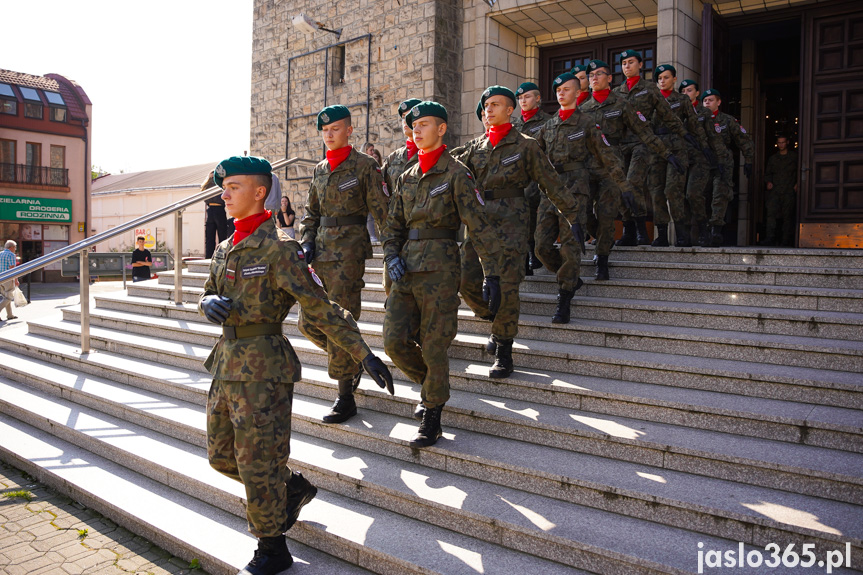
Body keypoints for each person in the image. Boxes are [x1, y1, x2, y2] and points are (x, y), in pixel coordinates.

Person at [199, 155, 393, 575]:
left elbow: (321, 308)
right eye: (224, 187)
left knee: (258, 462)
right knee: (220, 456)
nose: (225, 194)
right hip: (225, 365)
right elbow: (207, 291)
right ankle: (291, 489)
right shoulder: (225, 247)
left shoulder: (280, 248)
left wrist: (365, 353)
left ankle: (272, 547)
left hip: (264, 370)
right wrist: (206, 302)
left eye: (234, 186)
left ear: (259, 192)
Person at [381, 101, 501, 447]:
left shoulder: (457, 174)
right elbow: (392, 226)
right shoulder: (407, 176)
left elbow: (479, 226)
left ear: (442, 129)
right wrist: (391, 256)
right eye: (414, 127)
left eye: (425, 125)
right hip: (406, 271)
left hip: (440, 270)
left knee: (434, 346)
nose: (417, 131)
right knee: (394, 341)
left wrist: (490, 273)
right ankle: (431, 387)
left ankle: (432, 415)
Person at [452, 85, 582, 379]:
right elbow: (451, 177)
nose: (489, 110)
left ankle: (504, 350)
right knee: (465, 279)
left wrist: (572, 215)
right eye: (486, 106)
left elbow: (551, 182)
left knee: (507, 286)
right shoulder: (475, 147)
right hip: (479, 224)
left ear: (510, 110)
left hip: (511, 222)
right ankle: (493, 319)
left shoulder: (527, 145)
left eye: (495, 105)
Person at [299, 105, 390, 424]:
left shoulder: (366, 166)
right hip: (320, 252)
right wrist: (307, 239)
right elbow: (310, 212)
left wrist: (393, 251)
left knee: (338, 317)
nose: (329, 134)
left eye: (335, 129)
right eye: (324, 130)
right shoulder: (320, 168)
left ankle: (345, 397)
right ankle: (353, 360)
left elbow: (382, 211)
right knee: (307, 322)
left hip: (349, 252)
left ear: (349, 131)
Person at [534, 72, 631, 324]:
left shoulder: (586, 123)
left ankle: (564, 297)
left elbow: (606, 155)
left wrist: (624, 186)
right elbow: (533, 158)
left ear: (578, 93)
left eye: (567, 89)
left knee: (569, 246)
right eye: (558, 89)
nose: (561, 93)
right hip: (550, 191)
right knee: (542, 247)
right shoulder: (549, 125)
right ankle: (571, 279)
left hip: (576, 189)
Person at [580, 59, 673, 279]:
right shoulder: (583, 110)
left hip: (614, 167)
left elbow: (643, 131)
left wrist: (666, 153)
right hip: (590, 169)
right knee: (583, 211)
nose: (594, 77)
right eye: (591, 75)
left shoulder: (621, 104)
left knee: (606, 214)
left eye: (599, 74)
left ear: (609, 78)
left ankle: (602, 259)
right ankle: (605, 238)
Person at [614, 49, 687, 245]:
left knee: (633, 183)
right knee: (621, 187)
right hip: (621, 146)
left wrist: (685, 134)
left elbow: (667, 115)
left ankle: (642, 231)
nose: (627, 66)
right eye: (624, 63)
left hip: (643, 144)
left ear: (640, 65)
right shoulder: (616, 93)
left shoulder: (649, 88)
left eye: (631, 62)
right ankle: (628, 230)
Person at [649, 64, 713, 247]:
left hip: (678, 148)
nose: (662, 81)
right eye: (659, 78)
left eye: (666, 77)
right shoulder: (651, 99)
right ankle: (662, 234)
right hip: (656, 149)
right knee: (656, 192)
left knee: (673, 190)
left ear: (674, 79)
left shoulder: (682, 100)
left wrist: (705, 146)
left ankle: (681, 234)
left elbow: (694, 124)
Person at [701, 88, 755, 246]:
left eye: (710, 100)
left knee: (719, 195)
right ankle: (703, 231)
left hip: (723, 163)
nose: (707, 103)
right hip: (702, 164)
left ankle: (715, 231)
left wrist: (749, 160)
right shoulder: (696, 120)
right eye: (705, 101)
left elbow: (743, 139)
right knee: (702, 197)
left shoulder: (727, 120)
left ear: (718, 102)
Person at [380, 98, 423, 295]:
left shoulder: (434, 157)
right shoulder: (393, 159)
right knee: (391, 287)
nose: (406, 121)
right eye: (403, 118)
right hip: (397, 234)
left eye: (411, 117)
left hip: (423, 234)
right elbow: (381, 195)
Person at [679, 79, 728, 246]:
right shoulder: (675, 112)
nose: (686, 94)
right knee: (681, 198)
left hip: (700, 160)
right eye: (683, 91)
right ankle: (684, 235)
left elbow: (714, 138)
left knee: (693, 194)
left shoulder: (704, 113)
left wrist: (721, 160)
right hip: (682, 159)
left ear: (697, 93)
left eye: (690, 90)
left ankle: (703, 229)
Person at [512, 81, 552, 275]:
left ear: (537, 99)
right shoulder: (514, 125)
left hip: (540, 177)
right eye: (520, 98)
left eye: (527, 97)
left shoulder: (548, 121)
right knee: (524, 217)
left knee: (539, 217)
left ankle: (538, 251)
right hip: (520, 178)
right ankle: (528, 255)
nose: (523, 101)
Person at [763, 135, 798, 246]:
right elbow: (768, 173)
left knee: (788, 216)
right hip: (775, 190)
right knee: (771, 214)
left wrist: (797, 184)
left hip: (788, 190)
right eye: (779, 143)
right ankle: (770, 238)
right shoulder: (773, 158)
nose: (781, 145)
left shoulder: (794, 157)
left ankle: (786, 240)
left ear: (787, 142)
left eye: (783, 142)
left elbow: (799, 171)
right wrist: (768, 182)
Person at [202, 171, 232, 259]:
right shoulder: (220, 184)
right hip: (219, 209)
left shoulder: (206, 185)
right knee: (222, 234)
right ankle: (222, 255)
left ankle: (209, 257)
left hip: (210, 209)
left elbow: (205, 198)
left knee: (210, 237)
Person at [0, 240, 18, 321]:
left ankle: (10, 315)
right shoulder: (11, 255)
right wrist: (16, 280)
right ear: (11, 247)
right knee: (9, 297)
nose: (15, 249)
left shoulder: (0, 253)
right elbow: (12, 268)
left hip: (1, 278)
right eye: (15, 247)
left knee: (6, 296)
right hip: (8, 278)